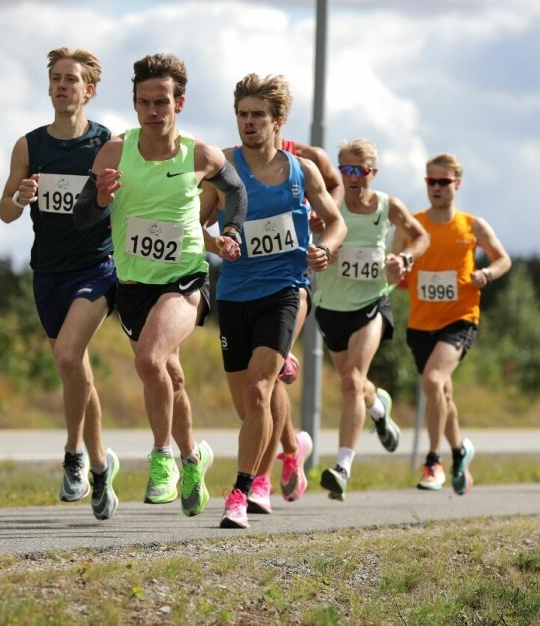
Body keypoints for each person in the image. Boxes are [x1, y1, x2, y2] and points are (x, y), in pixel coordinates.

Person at [73, 53, 246, 518]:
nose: (153, 111)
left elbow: (236, 192)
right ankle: (194, 458)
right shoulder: (114, 152)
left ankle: (162, 457)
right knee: (169, 376)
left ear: (179, 103)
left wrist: (230, 233)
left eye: (162, 102)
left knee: (150, 359)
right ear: (134, 105)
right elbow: (83, 212)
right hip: (133, 284)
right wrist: (101, 199)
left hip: (185, 278)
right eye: (144, 102)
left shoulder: (201, 154)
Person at [202, 73, 345, 529]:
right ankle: (291, 448)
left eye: (258, 115)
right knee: (248, 406)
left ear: (278, 120)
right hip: (235, 291)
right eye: (242, 115)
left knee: (259, 391)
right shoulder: (223, 169)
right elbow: (195, 224)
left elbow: (335, 222)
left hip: (287, 286)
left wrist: (326, 248)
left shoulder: (301, 172)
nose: (248, 123)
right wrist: (217, 244)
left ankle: (241, 492)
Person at [0, 47, 119, 521]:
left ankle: (73, 456)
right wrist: (20, 196)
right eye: (56, 78)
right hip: (48, 272)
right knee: (75, 370)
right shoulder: (29, 145)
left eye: (72, 78)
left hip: (97, 268)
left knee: (69, 356)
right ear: (48, 87)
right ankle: (102, 467)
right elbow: (4, 210)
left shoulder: (107, 142)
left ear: (89, 90)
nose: (63, 85)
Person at [312, 138, 429, 501]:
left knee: (350, 380)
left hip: (372, 302)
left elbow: (421, 236)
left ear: (372, 173)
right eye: (345, 169)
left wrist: (405, 259)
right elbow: (310, 232)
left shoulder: (387, 206)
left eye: (359, 170)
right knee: (356, 386)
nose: (351, 176)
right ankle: (378, 406)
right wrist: (320, 247)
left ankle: (342, 467)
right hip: (331, 305)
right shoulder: (330, 204)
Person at [397, 152, 511, 494]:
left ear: (456, 185)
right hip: (420, 323)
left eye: (443, 182)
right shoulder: (414, 226)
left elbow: (504, 258)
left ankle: (433, 462)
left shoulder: (472, 225)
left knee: (432, 381)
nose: (436, 187)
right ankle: (460, 451)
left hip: (460, 319)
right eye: (430, 181)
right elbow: (396, 266)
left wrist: (487, 273)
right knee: (442, 392)